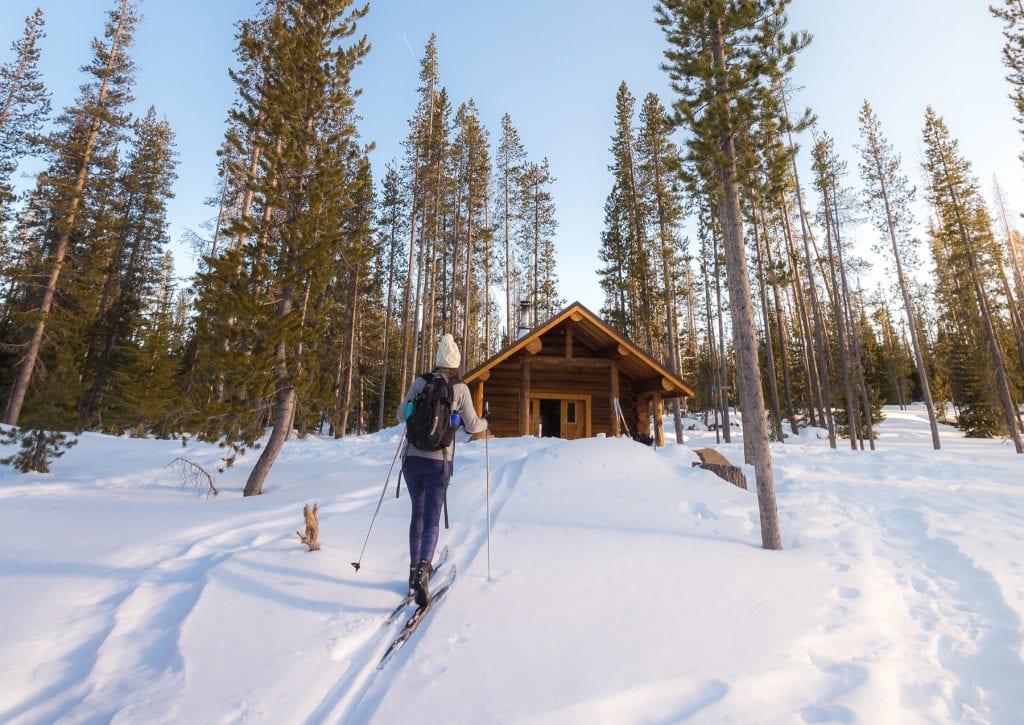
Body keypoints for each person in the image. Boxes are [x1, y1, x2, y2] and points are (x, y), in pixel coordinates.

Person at [397, 333, 489, 606]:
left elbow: (401, 415)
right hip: (440, 461)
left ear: (437, 360)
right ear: (456, 362)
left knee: (418, 514)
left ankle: (414, 571)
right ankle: (425, 569)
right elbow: (473, 426)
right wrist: (488, 421)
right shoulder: (460, 389)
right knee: (432, 517)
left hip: (412, 459)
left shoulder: (421, 383)